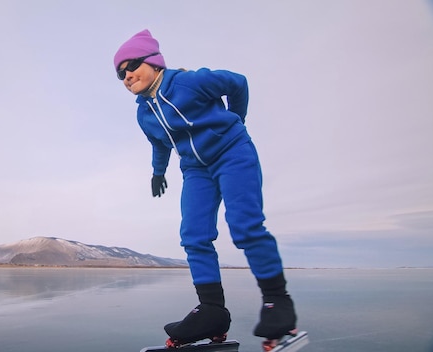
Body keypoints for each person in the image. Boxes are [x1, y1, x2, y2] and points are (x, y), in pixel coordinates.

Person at [113, 29, 298, 347]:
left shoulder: (188, 82)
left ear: (154, 62)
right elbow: (161, 145)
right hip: (196, 169)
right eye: (121, 73)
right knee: (194, 235)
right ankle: (212, 310)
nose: (127, 75)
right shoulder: (144, 113)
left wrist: (235, 120)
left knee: (245, 225)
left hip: (231, 152)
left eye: (132, 66)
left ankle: (276, 301)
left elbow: (238, 83)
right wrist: (158, 172)